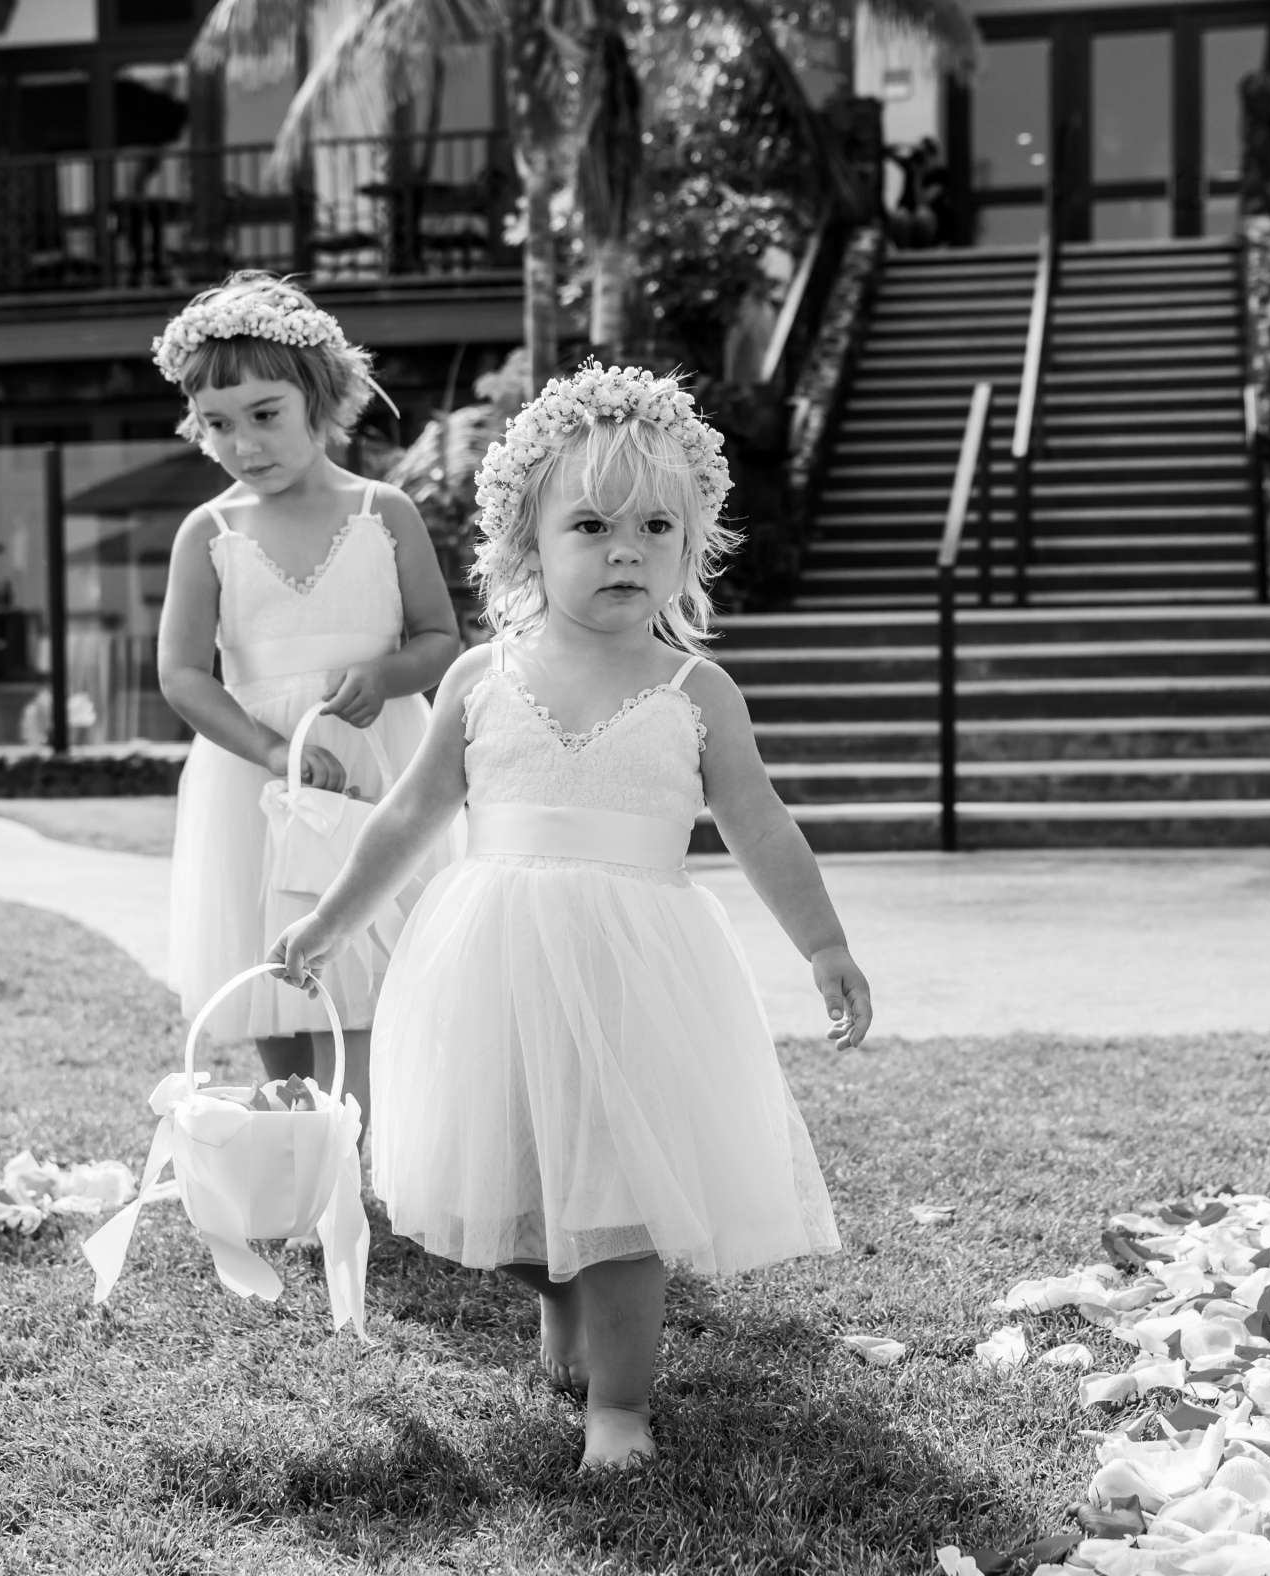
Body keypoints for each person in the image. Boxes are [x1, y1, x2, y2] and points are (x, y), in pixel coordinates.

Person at [268, 363, 872, 1469]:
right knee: (508, 1177)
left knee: (625, 1193)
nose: (626, 550)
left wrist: (823, 944)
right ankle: (559, 1298)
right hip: (494, 961)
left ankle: (619, 1410)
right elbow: (407, 818)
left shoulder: (698, 696)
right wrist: (329, 923)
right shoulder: (482, 681)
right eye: (590, 524)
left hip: (639, 970)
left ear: (693, 547)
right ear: (526, 545)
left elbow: (761, 826)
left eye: (656, 526)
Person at [155, 273, 460, 1126]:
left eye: (264, 415)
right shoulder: (209, 532)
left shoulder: (383, 511)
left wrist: (387, 675)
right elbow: (182, 674)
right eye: (217, 424)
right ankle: (290, 1139)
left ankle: (357, 1148)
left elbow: (441, 638)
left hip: (377, 764)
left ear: (318, 400)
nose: (244, 443)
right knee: (271, 970)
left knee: (367, 961)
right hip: (257, 778)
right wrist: (265, 750)